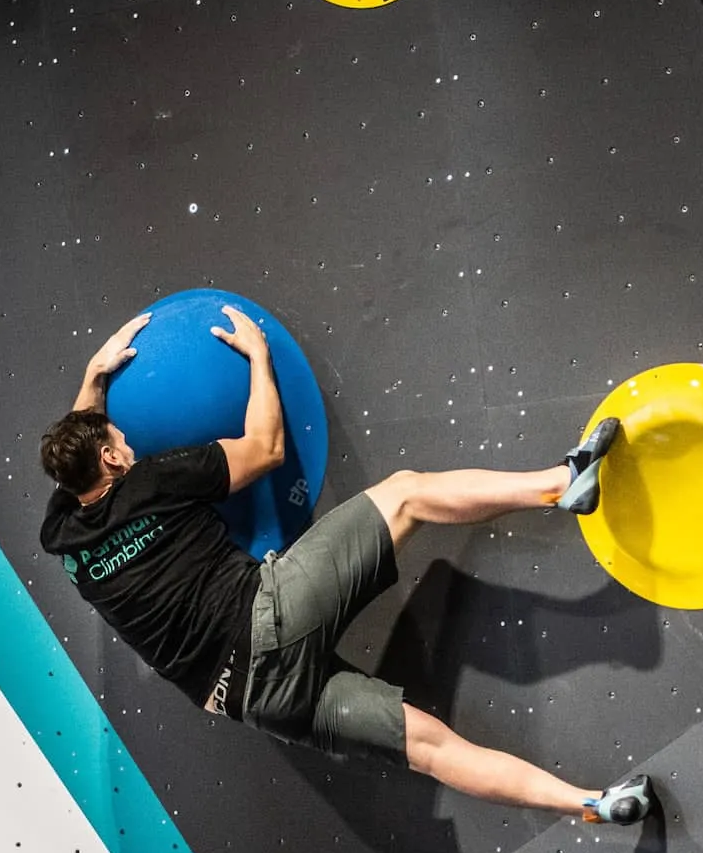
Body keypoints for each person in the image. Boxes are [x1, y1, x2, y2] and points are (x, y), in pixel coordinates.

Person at [37, 308, 656, 824]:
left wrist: (94, 378)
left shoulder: (63, 537)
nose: (125, 437)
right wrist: (258, 356)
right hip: (265, 619)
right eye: (116, 437)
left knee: (433, 749)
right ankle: (560, 483)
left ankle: (594, 804)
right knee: (407, 492)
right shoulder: (153, 480)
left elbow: (80, 459)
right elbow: (267, 450)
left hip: (248, 701)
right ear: (114, 460)